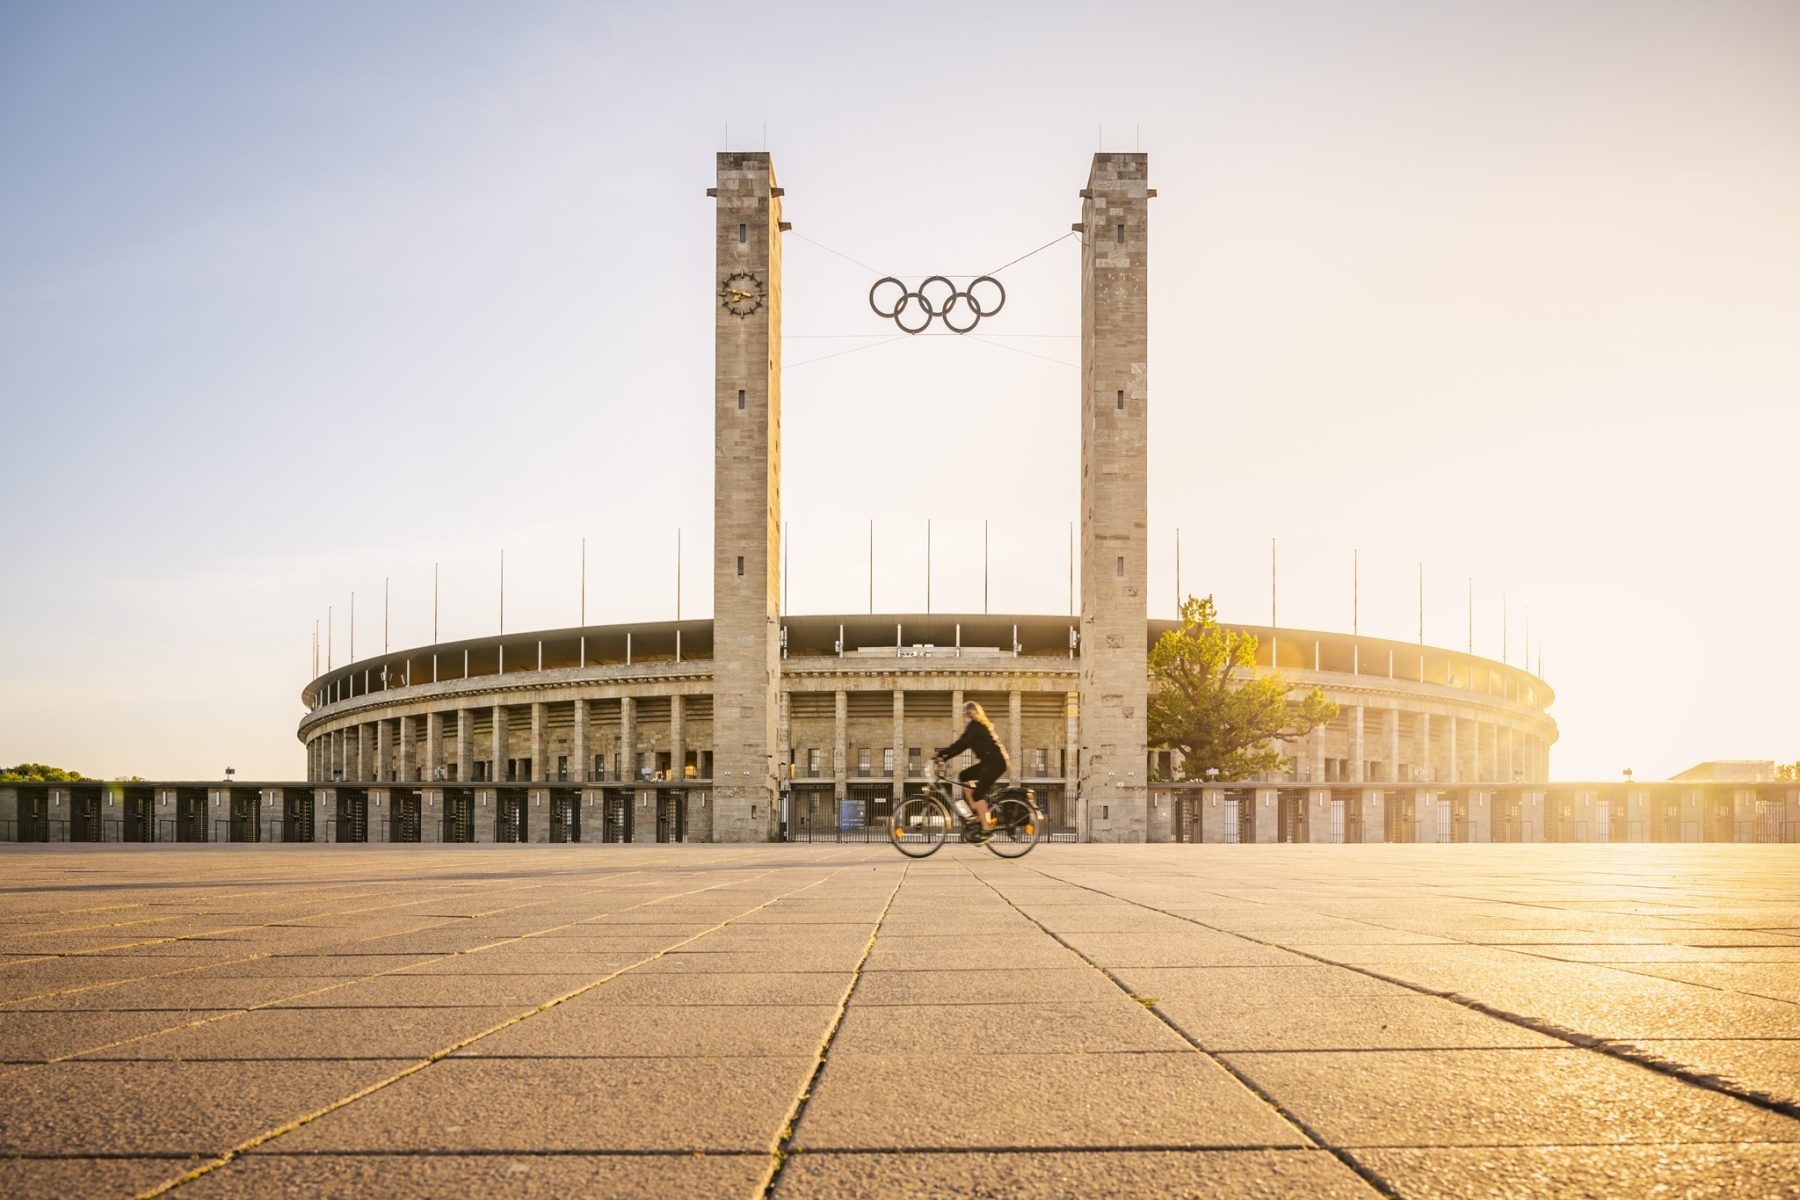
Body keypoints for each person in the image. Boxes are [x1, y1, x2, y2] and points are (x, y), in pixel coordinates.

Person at [934, 701, 1010, 839]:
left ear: (971, 713)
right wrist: (945, 758)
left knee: (977, 794)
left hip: (996, 763)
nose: (964, 717)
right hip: (989, 762)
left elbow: (960, 743)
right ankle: (975, 807)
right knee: (964, 776)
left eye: (965, 714)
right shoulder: (974, 728)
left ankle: (986, 830)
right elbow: (962, 747)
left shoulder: (975, 726)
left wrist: (941, 753)